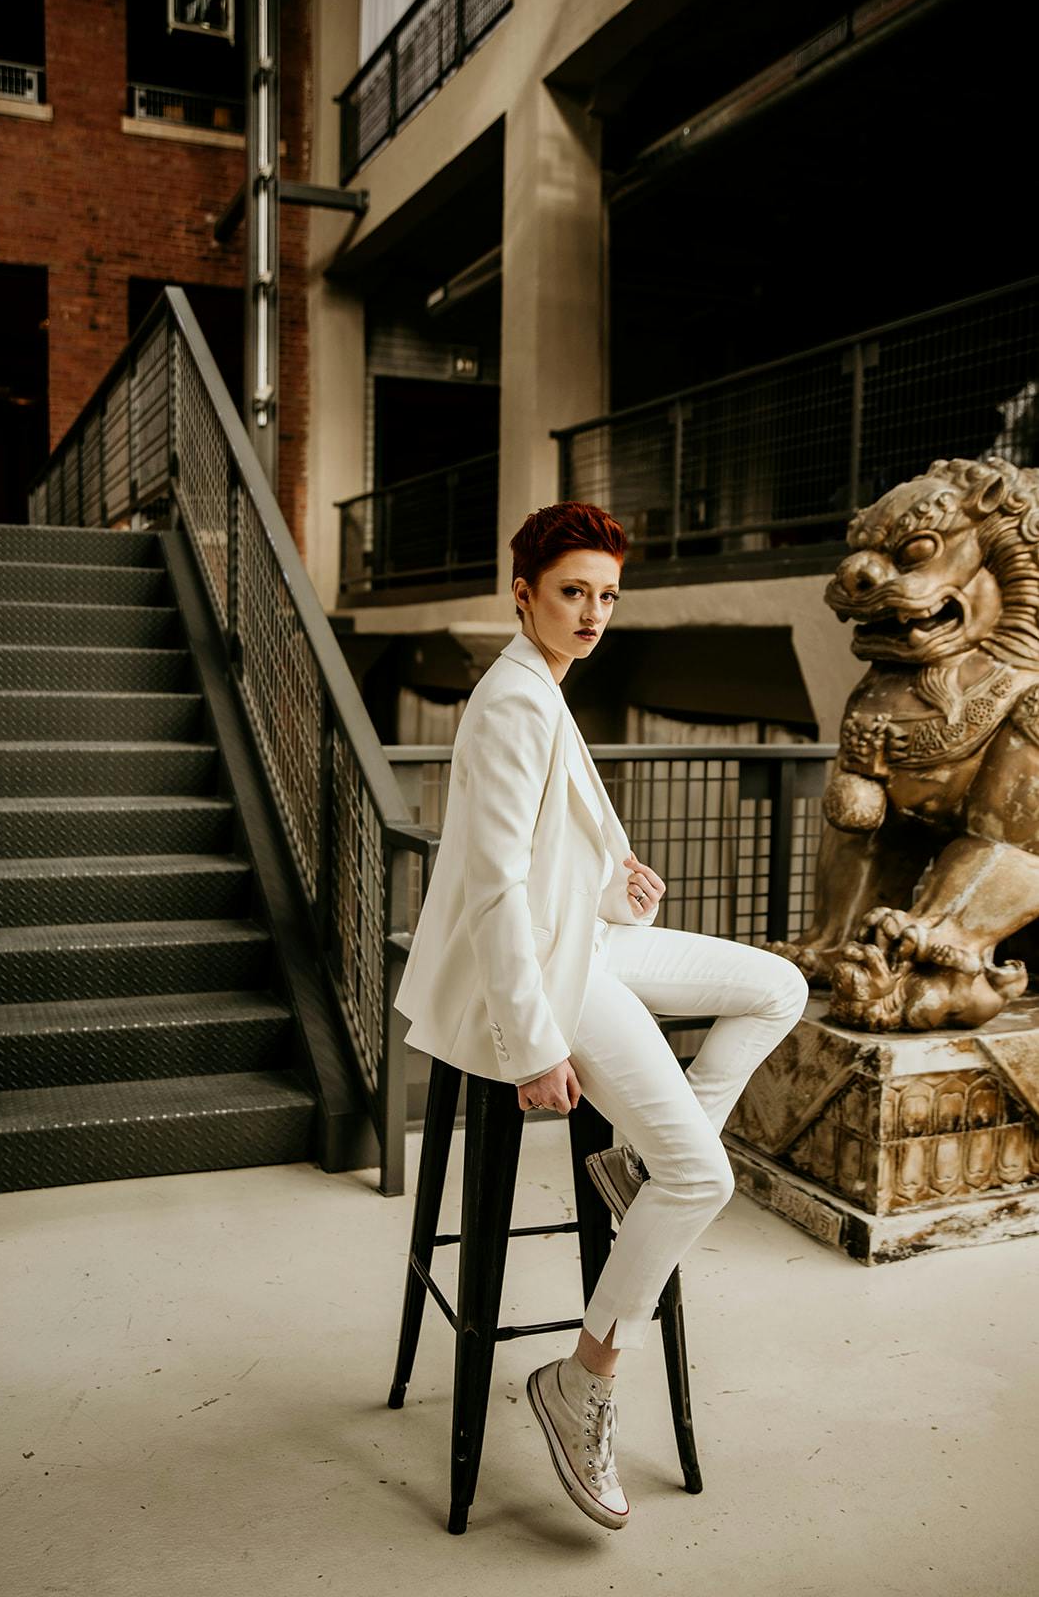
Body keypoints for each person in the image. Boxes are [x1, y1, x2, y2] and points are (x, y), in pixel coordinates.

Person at [393, 502, 809, 1532]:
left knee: (780, 985)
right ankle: (582, 1380)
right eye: (573, 591)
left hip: (588, 939)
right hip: (547, 974)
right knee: (703, 1180)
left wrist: (616, 884)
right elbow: (495, 891)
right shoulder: (513, 705)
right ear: (523, 591)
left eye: (607, 596)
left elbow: (549, 858)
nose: (592, 613)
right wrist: (531, 1048)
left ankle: (639, 1168)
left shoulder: (546, 686)